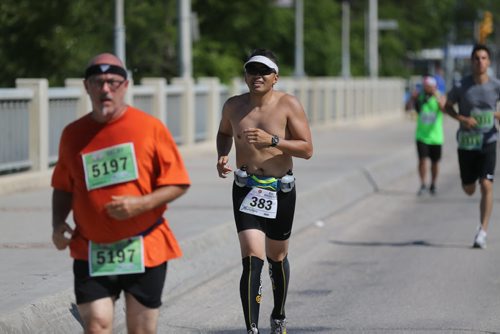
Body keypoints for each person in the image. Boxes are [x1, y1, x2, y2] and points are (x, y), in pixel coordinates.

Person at [51, 53, 190, 333]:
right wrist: (57, 223)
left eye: (113, 82)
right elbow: (63, 186)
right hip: (92, 249)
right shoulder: (73, 134)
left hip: (143, 246)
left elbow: (178, 182)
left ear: (125, 86)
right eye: (98, 82)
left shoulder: (149, 128)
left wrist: (141, 204)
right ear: (86, 86)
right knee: (97, 325)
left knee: (140, 330)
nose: (105, 89)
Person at [216, 48, 313, 334]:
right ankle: (252, 329)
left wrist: (272, 139)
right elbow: (224, 133)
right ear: (245, 76)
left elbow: (307, 149)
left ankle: (279, 314)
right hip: (246, 189)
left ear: (275, 77)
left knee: (277, 257)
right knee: (251, 259)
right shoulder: (233, 106)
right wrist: (222, 154)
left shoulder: (288, 105)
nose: (257, 76)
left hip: (280, 189)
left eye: (263, 72)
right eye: (252, 71)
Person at [444, 44, 500, 249]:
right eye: (477, 58)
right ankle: (470, 181)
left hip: (489, 141)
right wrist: (462, 119)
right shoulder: (461, 86)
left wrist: (497, 115)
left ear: (489, 62)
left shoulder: (496, 85)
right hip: (467, 144)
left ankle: (482, 232)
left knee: (486, 184)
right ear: (471, 61)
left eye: (484, 58)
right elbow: (447, 107)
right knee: (469, 189)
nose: (480, 62)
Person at [407, 76, 446, 195]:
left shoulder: (439, 96)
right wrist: (412, 99)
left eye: (430, 86)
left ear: (434, 86)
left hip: (436, 137)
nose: (428, 88)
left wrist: (437, 97)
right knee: (422, 160)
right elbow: (408, 109)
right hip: (422, 136)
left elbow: (444, 109)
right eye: (426, 86)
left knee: (435, 162)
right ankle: (423, 184)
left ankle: (433, 184)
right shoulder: (420, 96)